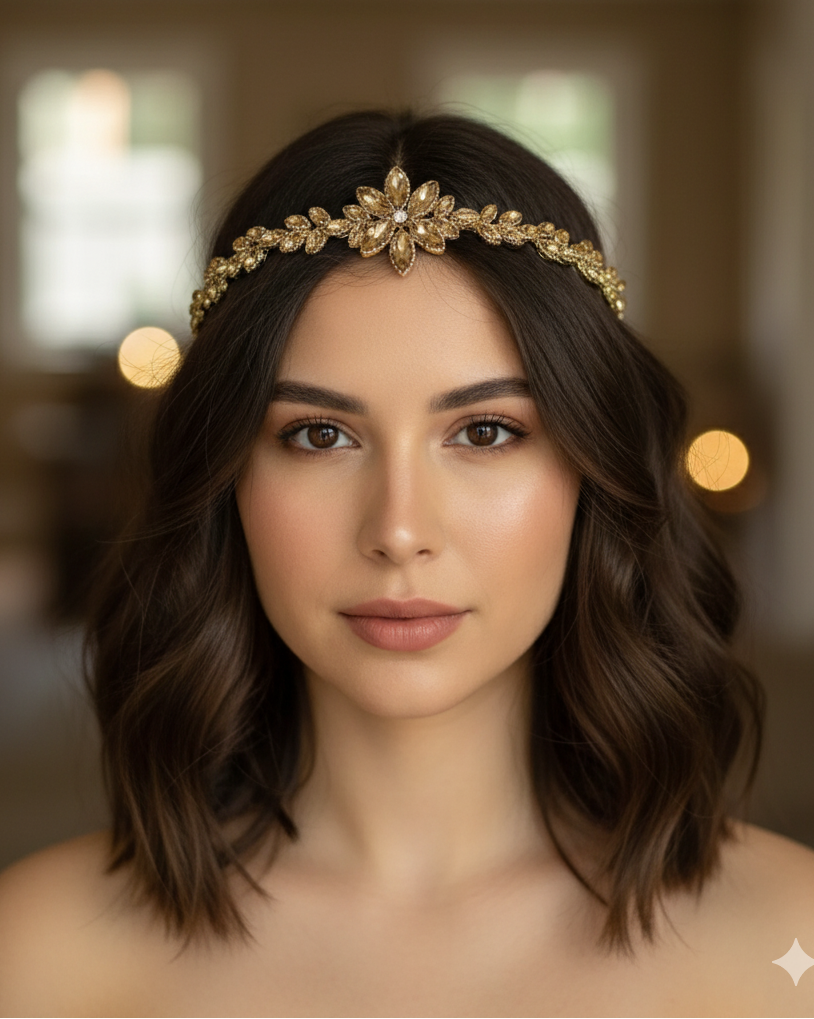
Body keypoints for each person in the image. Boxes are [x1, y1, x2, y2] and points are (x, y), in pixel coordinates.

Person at [1, 109, 813, 1018]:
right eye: (319, 434)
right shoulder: (36, 956)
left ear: (593, 470)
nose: (398, 529)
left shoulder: (793, 947)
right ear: (227, 476)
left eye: (485, 431)